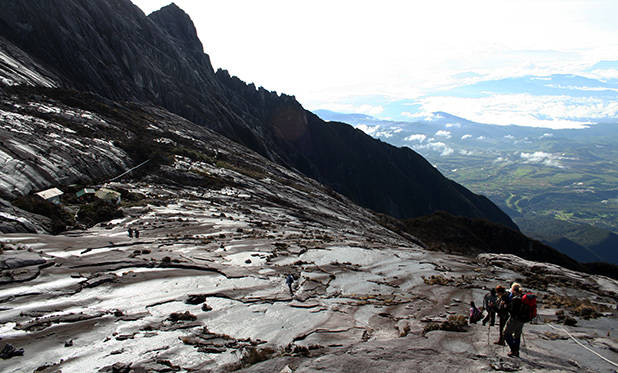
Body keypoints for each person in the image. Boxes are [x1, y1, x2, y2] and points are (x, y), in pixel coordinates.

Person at [503, 283, 525, 357]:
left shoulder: (515, 299)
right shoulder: (523, 297)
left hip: (514, 319)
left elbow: (512, 311)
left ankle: (514, 350)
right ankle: (516, 351)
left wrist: (506, 307)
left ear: (513, 290)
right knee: (517, 335)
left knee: (506, 333)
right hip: (522, 320)